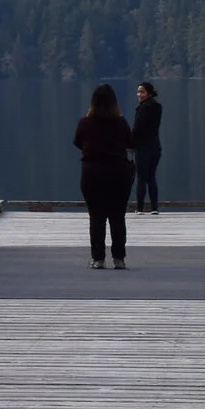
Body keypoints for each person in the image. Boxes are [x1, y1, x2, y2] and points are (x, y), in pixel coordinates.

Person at [73, 83, 134, 270]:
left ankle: (98, 259)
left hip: (92, 175)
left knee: (96, 217)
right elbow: (130, 143)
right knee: (117, 217)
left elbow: (77, 142)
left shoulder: (85, 123)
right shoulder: (121, 123)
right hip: (118, 174)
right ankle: (119, 259)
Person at [131, 81, 163, 215]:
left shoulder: (143, 108)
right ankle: (154, 207)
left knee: (141, 178)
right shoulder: (158, 107)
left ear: (148, 93)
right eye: (138, 92)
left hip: (142, 146)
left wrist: (131, 144)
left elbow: (137, 128)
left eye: (142, 92)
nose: (139, 94)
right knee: (151, 177)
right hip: (155, 146)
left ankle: (139, 208)